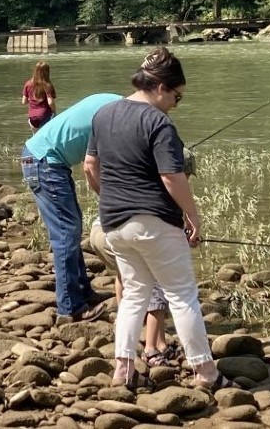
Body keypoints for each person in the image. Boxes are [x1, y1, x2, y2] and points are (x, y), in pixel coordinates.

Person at [85, 47, 233, 391]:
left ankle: (123, 369)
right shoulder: (158, 121)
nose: (176, 104)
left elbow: (90, 166)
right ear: (162, 87)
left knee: (135, 294)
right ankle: (205, 372)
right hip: (154, 221)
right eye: (177, 97)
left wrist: (112, 198)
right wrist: (193, 217)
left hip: (113, 223)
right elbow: (171, 177)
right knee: (182, 295)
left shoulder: (103, 114)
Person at [21, 93, 121, 324]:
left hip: (43, 158)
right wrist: (114, 201)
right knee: (66, 233)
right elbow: (91, 168)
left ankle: (83, 293)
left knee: (71, 229)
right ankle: (70, 308)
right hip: (44, 161)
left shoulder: (114, 104)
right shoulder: (115, 118)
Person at [89, 219, 180, 367]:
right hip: (124, 233)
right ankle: (151, 349)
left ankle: (125, 320)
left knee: (124, 272)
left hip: (99, 232)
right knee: (157, 289)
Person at [21, 61, 57, 132]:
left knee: (35, 136)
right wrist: (55, 112)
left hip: (32, 119)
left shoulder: (28, 84)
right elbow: (50, 102)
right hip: (45, 116)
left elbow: (24, 102)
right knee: (47, 134)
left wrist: (33, 100)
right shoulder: (47, 85)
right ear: (47, 72)